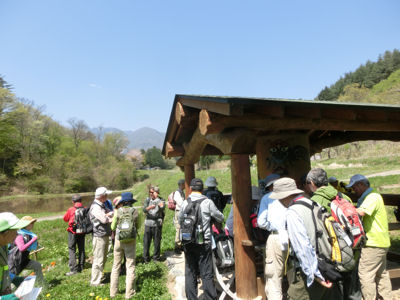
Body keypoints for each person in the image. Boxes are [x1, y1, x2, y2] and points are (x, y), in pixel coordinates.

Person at [275, 177, 334, 300]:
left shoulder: (293, 212)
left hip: (310, 271)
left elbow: (302, 246)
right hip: (326, 264)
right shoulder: (313, 204)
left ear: (284, 196)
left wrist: (314, 274)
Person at [306, 168, 361, 300]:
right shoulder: (342, 196)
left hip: (334, 254)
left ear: (312, 183)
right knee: (353, 290)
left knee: (337, 292)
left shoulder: (315, 201)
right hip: (352, 249)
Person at [347, 174, 393, 299]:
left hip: (373, 243)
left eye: (354, 187)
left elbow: (361, 212)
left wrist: (344, 209)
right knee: (381, 274)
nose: (353, 190)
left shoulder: (372, 197)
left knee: (365, 274)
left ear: (361, 185)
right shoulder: (374, 195)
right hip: (382, 242)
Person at [179, 178, 225, 300]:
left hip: (187, 241)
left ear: (190, 189)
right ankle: (209, 297)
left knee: (190, 271)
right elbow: (220, 217)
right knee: (206, 272)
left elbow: (180, 220)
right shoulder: (207, 202)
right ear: (202, 189)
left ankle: (192, 298)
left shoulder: (185, 202)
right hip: (203, 242)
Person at [256, 174, 289, 300]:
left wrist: (272, 226)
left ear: (269, 186)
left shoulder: (266, 198)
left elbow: (261, 222)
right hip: (292, 236)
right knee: (293, 273)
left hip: (276, 237)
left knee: (274, 276)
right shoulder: (291, 196)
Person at [110, 192, 139, 299]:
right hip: (130, 241)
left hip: (118, 240)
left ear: (122, 201)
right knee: (130, 266)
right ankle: (129, 293)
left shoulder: (117, 211)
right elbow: (138, 226)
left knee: (116, 265)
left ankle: (113, 292)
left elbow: (112, 227)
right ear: (131, 202)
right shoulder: (135, 211)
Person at [0, 212, 31, 300]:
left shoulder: (4, 246)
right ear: (4, 233)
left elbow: (3, 270)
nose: (18, 234)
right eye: (15, 230)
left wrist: (14, 278)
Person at [8, 216, 44, 285]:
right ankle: (11, 292)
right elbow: (22, 248)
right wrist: (33, 240)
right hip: (15, 261)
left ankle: (40, 285)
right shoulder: (19, 235)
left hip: (23, 260)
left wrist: (35, 243)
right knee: (12, 280)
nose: (33, 224)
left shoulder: (27, 235)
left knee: (37, 265)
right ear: (26, 225)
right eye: (32, 223)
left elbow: (30, 247)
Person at [89, 186, 114, 286]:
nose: (107, 196)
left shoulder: (102, 205)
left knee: (102, 258)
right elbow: (104, 220)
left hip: (104, 235)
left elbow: (107, 214)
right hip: (99, 237)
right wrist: (112, 218)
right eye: (106, 195)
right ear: (102, 196)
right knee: (98, 259)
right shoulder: (96, 207)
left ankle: (99, 277)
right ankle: (95, 282)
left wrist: (109, 214)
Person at [63, 194, 86, 276]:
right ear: (81, 201)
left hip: (72, 232)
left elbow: (65, 219)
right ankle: (81, 266)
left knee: (72, 249)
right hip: (82, 231)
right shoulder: (84, 208)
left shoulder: (71, 209)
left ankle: (73, 269)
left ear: (73, 201)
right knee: (81, 248)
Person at [142, 186, 165, 263]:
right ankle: (146, 258)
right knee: (146, 241)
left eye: (152, 192)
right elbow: (144, 209)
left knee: (157, 241)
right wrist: (150, 207)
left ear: (157, 193)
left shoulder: (161, 200)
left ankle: (156, 258)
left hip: (157, 224)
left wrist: (160, 205)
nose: (151, 194)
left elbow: (162, 207)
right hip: (148, 223)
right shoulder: (148, 199)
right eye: (150, 192)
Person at [173, 179, 185, 254]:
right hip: (178, 212)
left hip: (181, 212)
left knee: (181, 229)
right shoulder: (177, 193)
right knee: (178, 228)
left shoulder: (181, 192)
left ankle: (181, 245)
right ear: (181, 184)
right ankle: (177, 246)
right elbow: (181, 203)